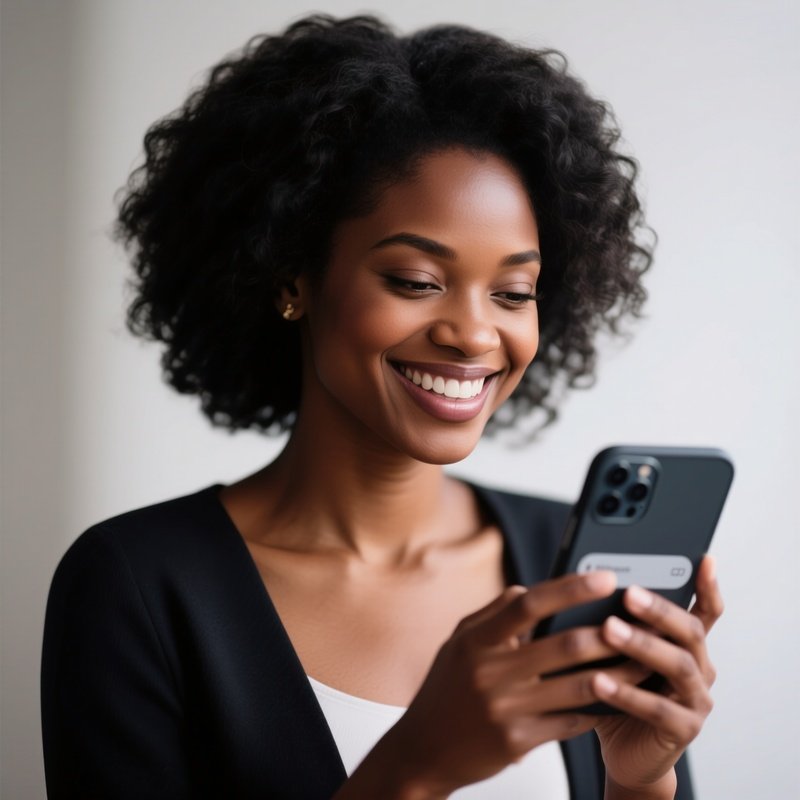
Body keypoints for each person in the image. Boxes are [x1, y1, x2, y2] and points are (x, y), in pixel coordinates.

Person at [40, 14, 722, 800]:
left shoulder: (568, 564)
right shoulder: (138, 584)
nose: (475, 334)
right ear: (291, 277)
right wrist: (419, 763)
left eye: (513, 293)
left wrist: (640, 782)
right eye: (415, 281)